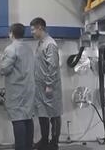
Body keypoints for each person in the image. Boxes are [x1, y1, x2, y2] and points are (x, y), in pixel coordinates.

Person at [0, 23, 35, 150]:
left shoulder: (11, 49)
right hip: (29, 88)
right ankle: (28, 146)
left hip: (16, 90)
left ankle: (20, 147)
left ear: (11, 34)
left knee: (18, 119)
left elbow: (5, 69)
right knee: (28, 117)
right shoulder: (28, 48)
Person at [30, 17, 62, 150]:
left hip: (49, 87)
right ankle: (44, 141)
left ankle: (54, 143)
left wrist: (49, 85)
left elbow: (52, 66)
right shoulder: (40, 44)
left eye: (33, 29)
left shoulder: (50, 44)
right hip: (40, 87)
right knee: (42, 114)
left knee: (54, 114)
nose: (31, 32)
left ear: (40, 28)